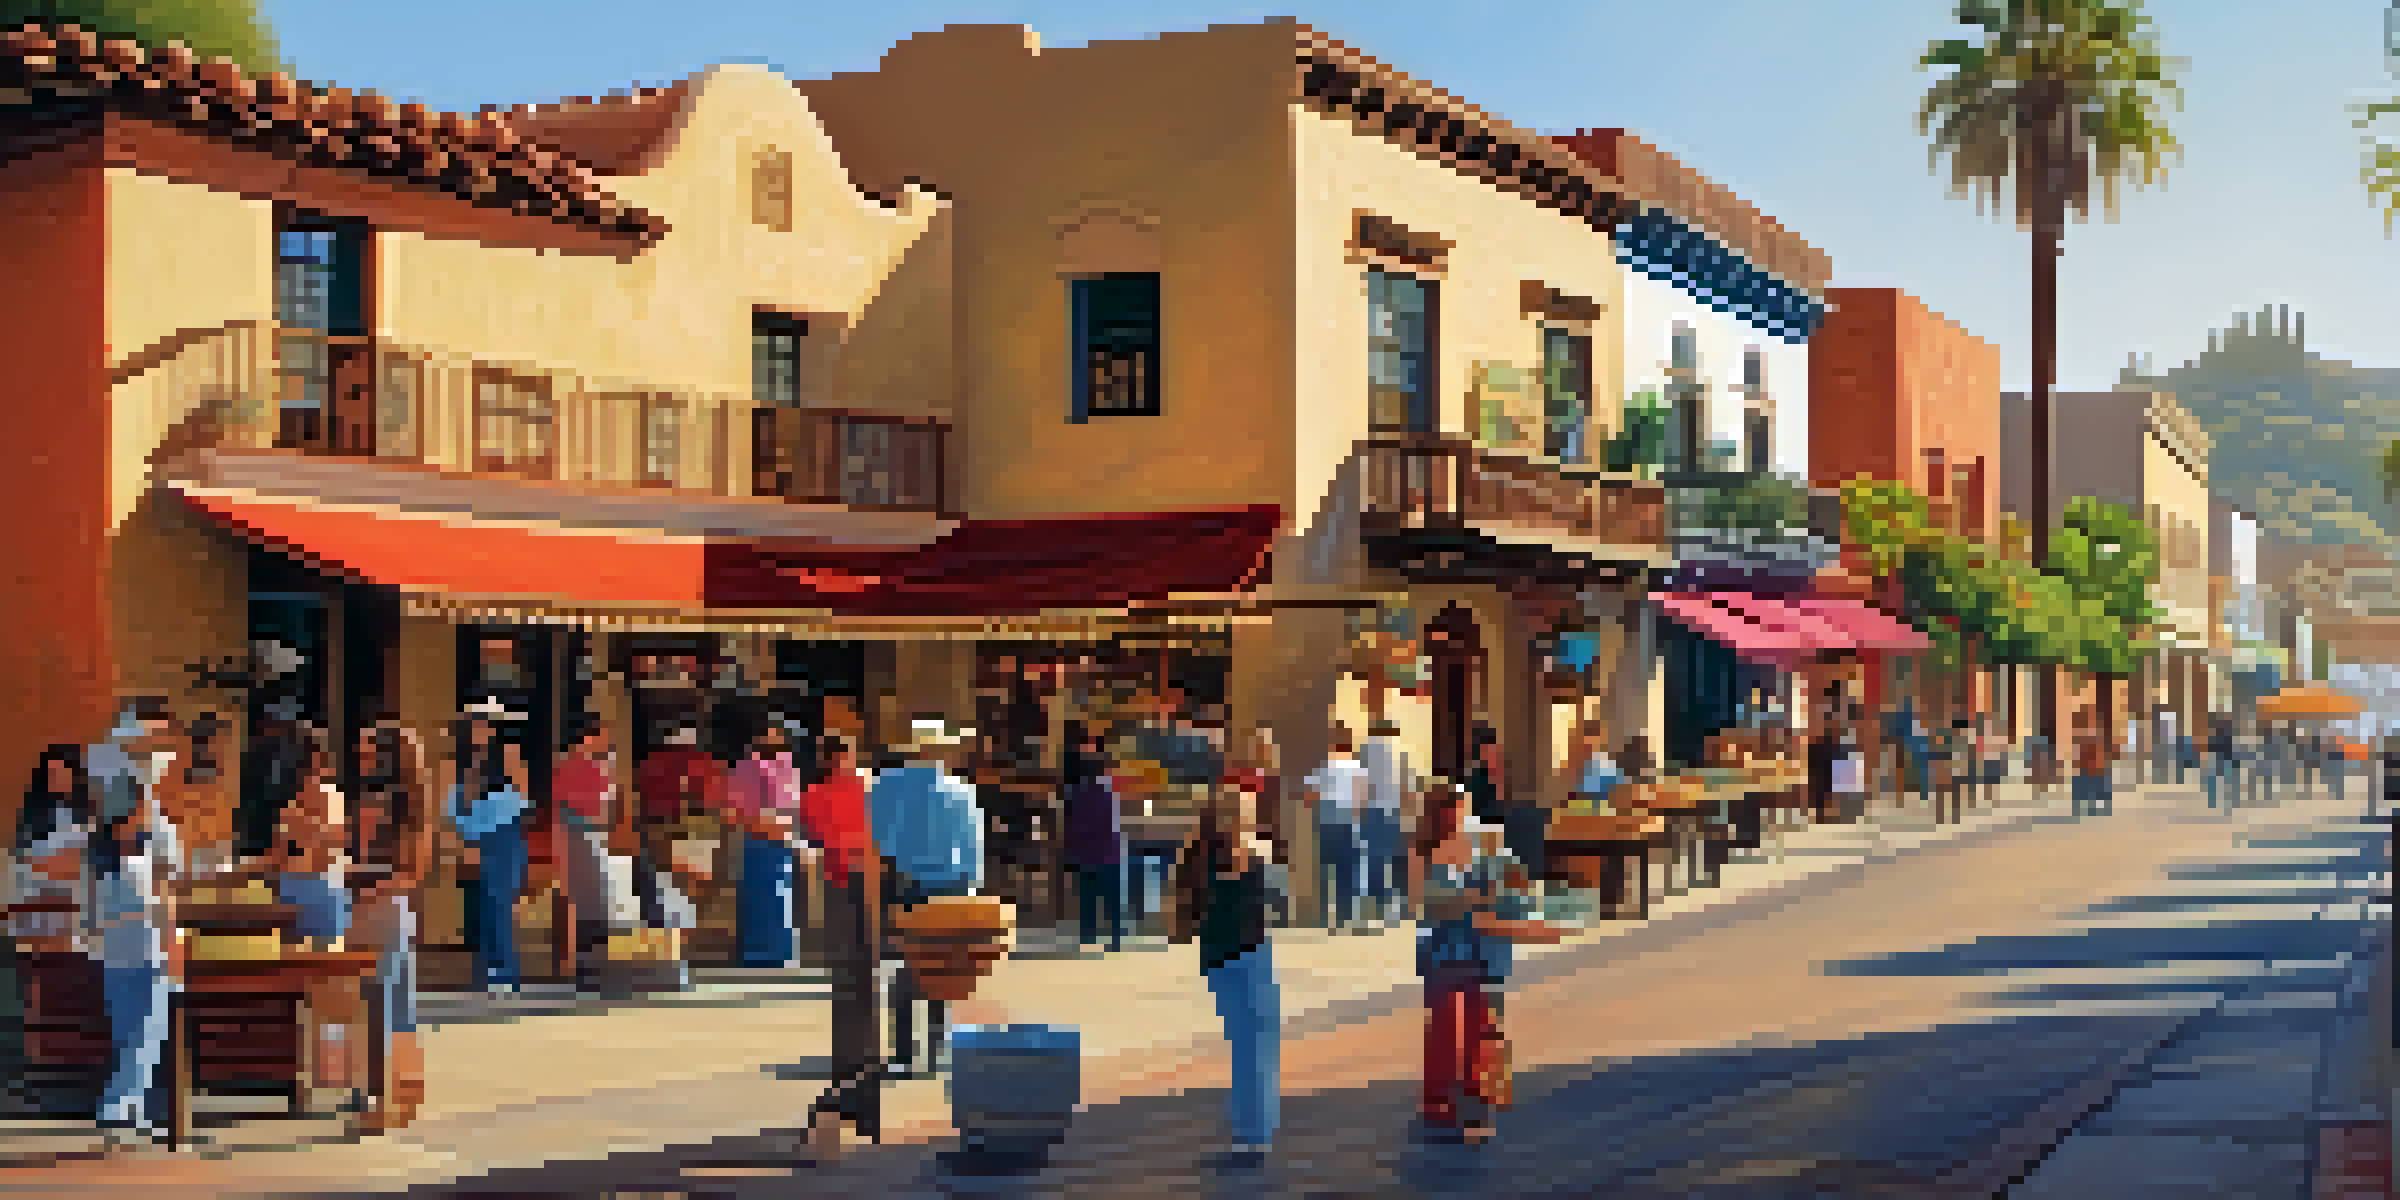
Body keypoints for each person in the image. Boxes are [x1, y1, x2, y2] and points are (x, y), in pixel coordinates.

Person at [1409, 778, 1571, 1146]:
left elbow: (1508, 890)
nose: (1468, 815)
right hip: (1442, 955)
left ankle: (1476, 1106)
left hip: (1477, 955)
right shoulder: (1423, 854)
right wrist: (1487, 904)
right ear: (1443, 814)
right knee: (1445, 1034)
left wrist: (1511, 890)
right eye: (1460, 808)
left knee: (1483, 1034)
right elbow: (1431, 903)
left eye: (1467, 808)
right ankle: (1441, 1106)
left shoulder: (1479, 850)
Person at [85, 704, 184, 1148]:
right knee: (145, 1023)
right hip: (140, 927)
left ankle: (133, 1108)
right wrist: (172, 936)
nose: (165, 752)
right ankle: (121, 1106)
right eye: (155, 743)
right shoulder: (133, 804)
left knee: (132, 1024)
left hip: (120, 929)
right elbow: (161, 880)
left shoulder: (121, 804)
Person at [1169, 777, 1282, 1162]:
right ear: (1242, 817)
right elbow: (1281, 901)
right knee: (1260, 1046)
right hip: (1251, 955)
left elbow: (1184, 910)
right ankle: (1257, 1136)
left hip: (1216, 958)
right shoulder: (1256, 853)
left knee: (1243, 1048)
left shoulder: (1196, 855)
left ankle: (1246, 1135)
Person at [869, 719, 984, 1077]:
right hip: (951, 887)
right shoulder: (961, 791)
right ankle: (941, 1046)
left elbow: (877, 843)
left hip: (905, 886)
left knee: (904, 966)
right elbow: (973, 849)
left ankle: (904, 1052)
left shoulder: (885, 787)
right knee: (945, 967)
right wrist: (973, 891)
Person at [262, 727, 366, 1111]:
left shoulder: (310, 802)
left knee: (316, 989)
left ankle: (328, 1079)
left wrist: (303, 837)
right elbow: (296, 856)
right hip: (312, 893)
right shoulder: (313, 801)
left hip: (309, 892)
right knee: (321, 989)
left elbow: (314, 854)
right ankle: (324, 1079)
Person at [800, 734, 885, 1154]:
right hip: (863, 877)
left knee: (846, 975)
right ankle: (865, 1060)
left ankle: (848, 1060)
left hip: (838, 879)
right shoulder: (869, 787)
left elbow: (813, 833)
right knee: (865, 971)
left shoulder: (815, 793)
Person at [349, 719, 433, 1134]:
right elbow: (413, 872)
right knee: (398, 1005)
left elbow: (406, 870)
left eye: (367, 750)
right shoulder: (411, 802)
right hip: (393, 909)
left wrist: (366, 888)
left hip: (378, 909)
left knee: (378, 1006)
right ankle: (404, 1098)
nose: (360, 757)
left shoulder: (385, 802)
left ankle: (381, 1102)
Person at [446, 699, 533, 995]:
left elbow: (520, 798)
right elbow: (455, 807)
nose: (479, 730)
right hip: (474, 838)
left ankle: (505, 972)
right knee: (478, 904)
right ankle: (488, 970)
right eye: (474, 724)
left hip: (503, 836)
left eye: (484, 723)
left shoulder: (508, 754)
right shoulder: (461, 763)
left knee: (499, 904)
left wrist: (480, 811)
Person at [633, 723, 723, 989]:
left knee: (665, 893)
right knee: (687, 895)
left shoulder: (651, 764)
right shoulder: (702, 762)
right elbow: (711, 798)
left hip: (658, 830)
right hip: (696, 830)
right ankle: (679, 960)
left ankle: (672, 960)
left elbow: (641, 794)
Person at [552, 719, 630, 988]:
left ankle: (590, 965)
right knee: (586, 902)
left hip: (589, 837)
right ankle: (583, 967)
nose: (606, 744)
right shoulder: (577, 765)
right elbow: (575, 806)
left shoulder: (595, 765)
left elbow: (607, 805)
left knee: (593, 902)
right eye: (602, 738)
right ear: (587, 738)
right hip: (579, 837)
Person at [727, 720, 805, 970]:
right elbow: (736, 810)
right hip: (756, 844)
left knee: (781, 900)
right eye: (767, 733)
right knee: (758, 900)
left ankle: (780, 953)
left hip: (780, 844)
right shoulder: (747, 767)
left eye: (777, 735)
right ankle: (754, 954)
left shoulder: (788, 766)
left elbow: (795, 806)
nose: (772, 739)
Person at [1061, 721, 1127, 952]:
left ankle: (1088, 936)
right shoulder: (1112, 792)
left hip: (1086, 853)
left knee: (1088, 899)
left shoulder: (1076, 793)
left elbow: (1073, 825)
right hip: (1110, 853)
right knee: (1112, 901)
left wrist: (1070, 848)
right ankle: (1116, 938)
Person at [1303, 724, 1369, 933]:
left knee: (1325, 870)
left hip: (1326, 823)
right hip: (1347, 824)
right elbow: (1363, 798)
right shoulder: (1357, 768)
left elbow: (1309, 796)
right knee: (1347, 871)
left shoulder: (1323, 767)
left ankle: (1324, 915)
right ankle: (1346, 916)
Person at [1359, 720, 1414, 927]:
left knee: (1374, 858)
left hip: (1372, 812)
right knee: (1396, 858)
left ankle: (1377, 905)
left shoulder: (1365, 751)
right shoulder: (1399, 752)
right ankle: (1400, 906)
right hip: (1393, 811)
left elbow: (1361, 784)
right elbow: (1406, 785)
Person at [2206, 716, 2238, 812]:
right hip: (2222, 758)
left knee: (2220, 781)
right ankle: (2220, 803)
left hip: (2220, 758)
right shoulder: (2227, 733)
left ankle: (2216, 803)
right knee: (2225, 781)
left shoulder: (2216, 733)